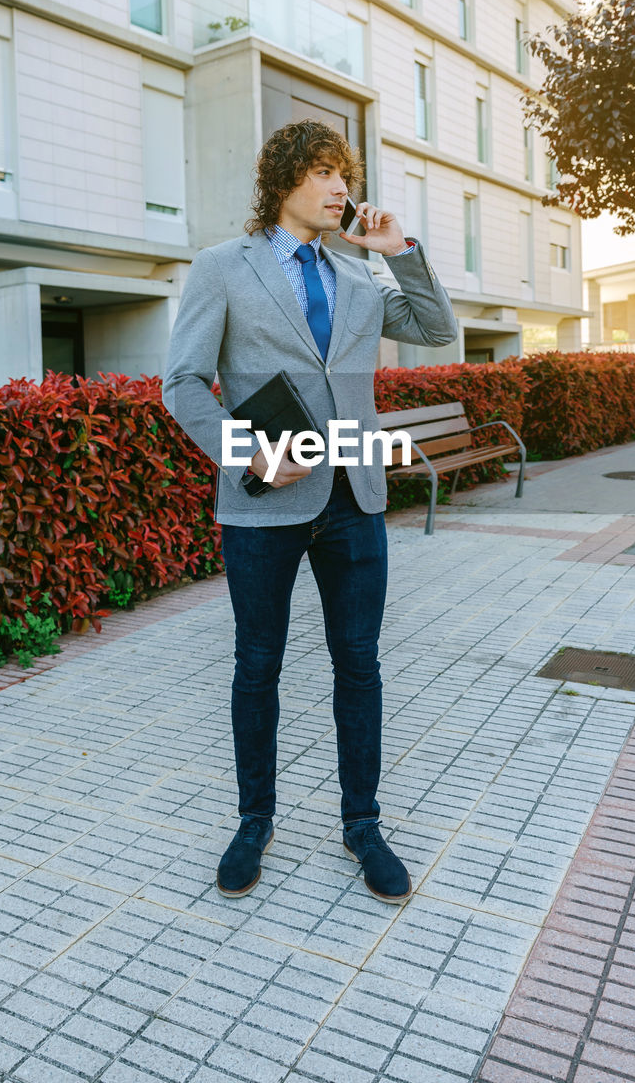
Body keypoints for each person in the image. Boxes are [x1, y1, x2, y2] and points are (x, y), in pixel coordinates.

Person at [162, 119, 456, 903]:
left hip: (353, 499)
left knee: (358, 665)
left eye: (344, 175)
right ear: (285, 180)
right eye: (324, 173)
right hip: (262, 506)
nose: (340, 189)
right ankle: (253, 818)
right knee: (257, 666)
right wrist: (246, 452)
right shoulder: (222, 268)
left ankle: (362, 823)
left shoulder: (359, 277)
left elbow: (436, 330)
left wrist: (401, 254)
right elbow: (183, 383)